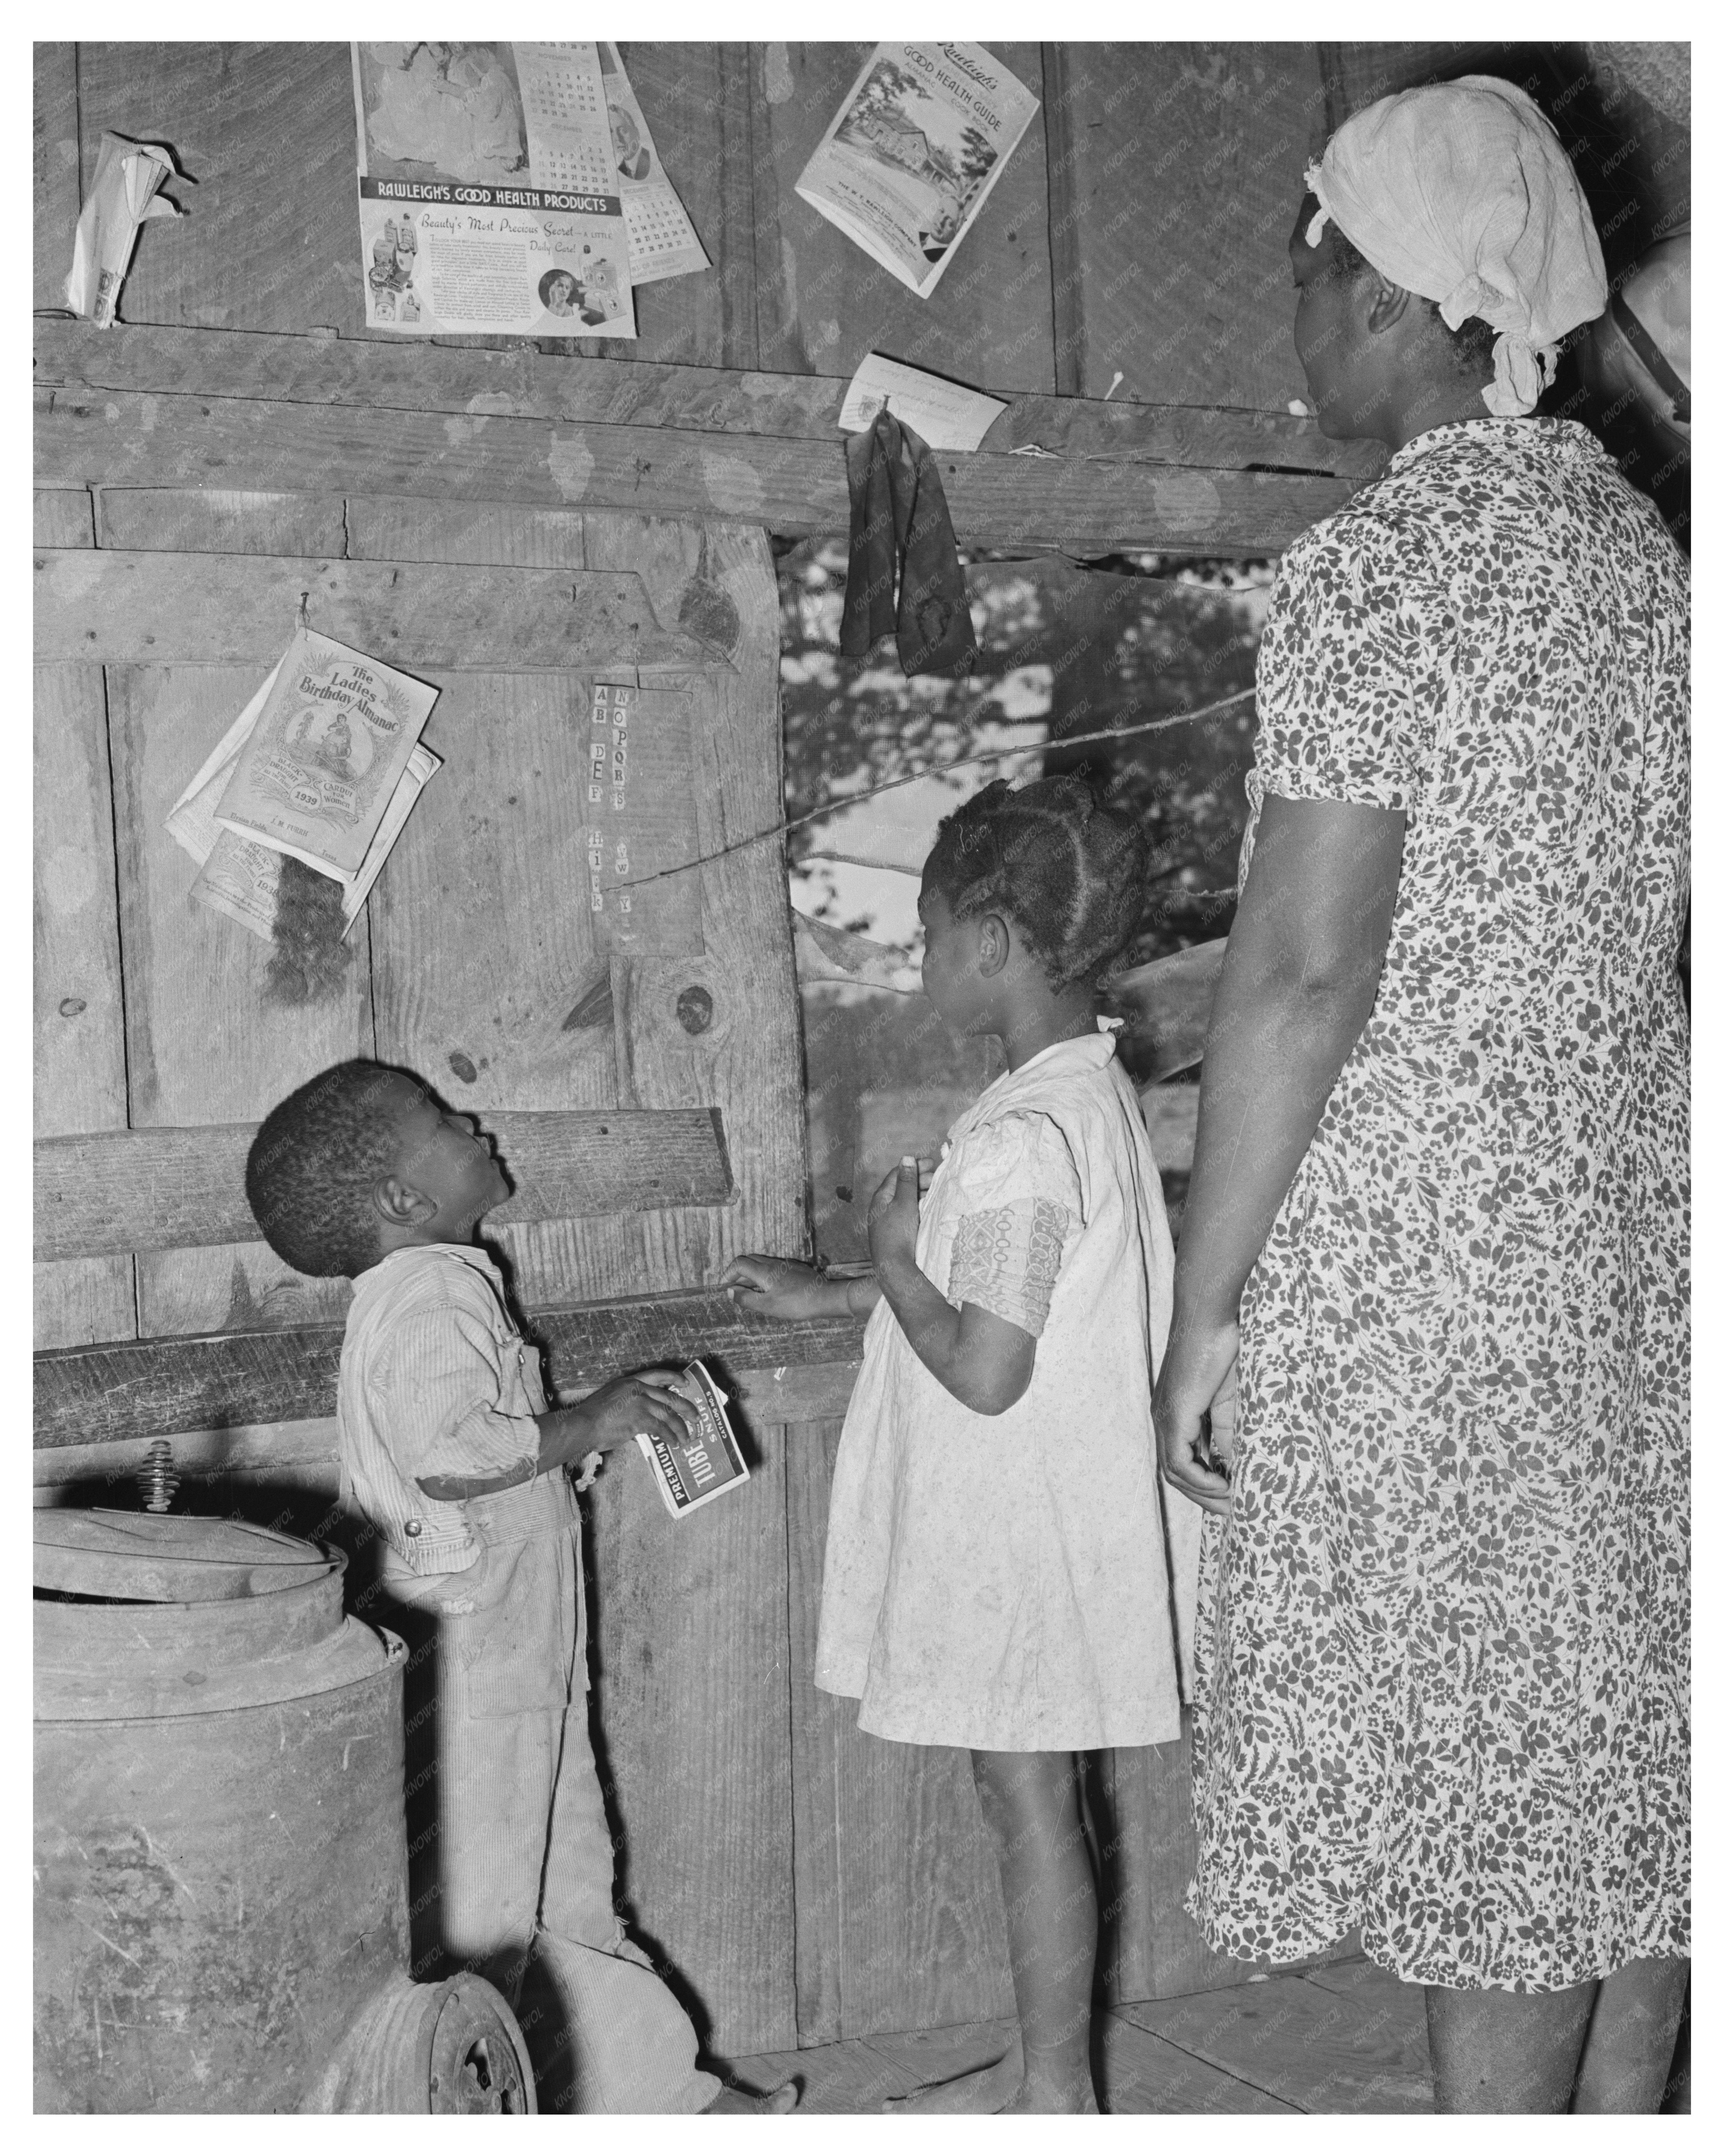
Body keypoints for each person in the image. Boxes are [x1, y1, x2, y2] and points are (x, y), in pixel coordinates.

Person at [1151, 77, 1690, 2114]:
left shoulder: (1381, 569)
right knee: (1621, 1765)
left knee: (1491, 1806)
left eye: (1305, 268)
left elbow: (1299, 971)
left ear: (1381, 303)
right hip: (1627, 1246)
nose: (1293, 314)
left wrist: (1207, 1310)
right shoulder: (1642, 560)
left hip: (1443, 1279)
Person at [723, 778, 1202, 2114]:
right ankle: (1041, 2065)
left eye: (930, 936)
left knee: (1029, 1800)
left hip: (1019, 1519)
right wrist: (839, 1290)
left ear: (992, 944)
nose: (925, 962)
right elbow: (1018, 1290)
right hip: (1052, 1513)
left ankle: (1057, 2095)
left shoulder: (1018, 1143)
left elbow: (988, 1365)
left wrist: (889, 1255)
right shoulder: (1080, 1095)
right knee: (1031, 1793)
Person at [245, 1060, 797, 2116]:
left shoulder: (433, 1288)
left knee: (567, 1891)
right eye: (449, 1123)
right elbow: (453, 1453)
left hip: (517, 1657)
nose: (477, 1124)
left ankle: (670, 2106)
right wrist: (594, 1421)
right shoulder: (433, 1296)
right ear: (404, 1203)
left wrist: (586, 1431)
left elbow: (483, 1451)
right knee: (504, 1918)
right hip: (485, 1659)